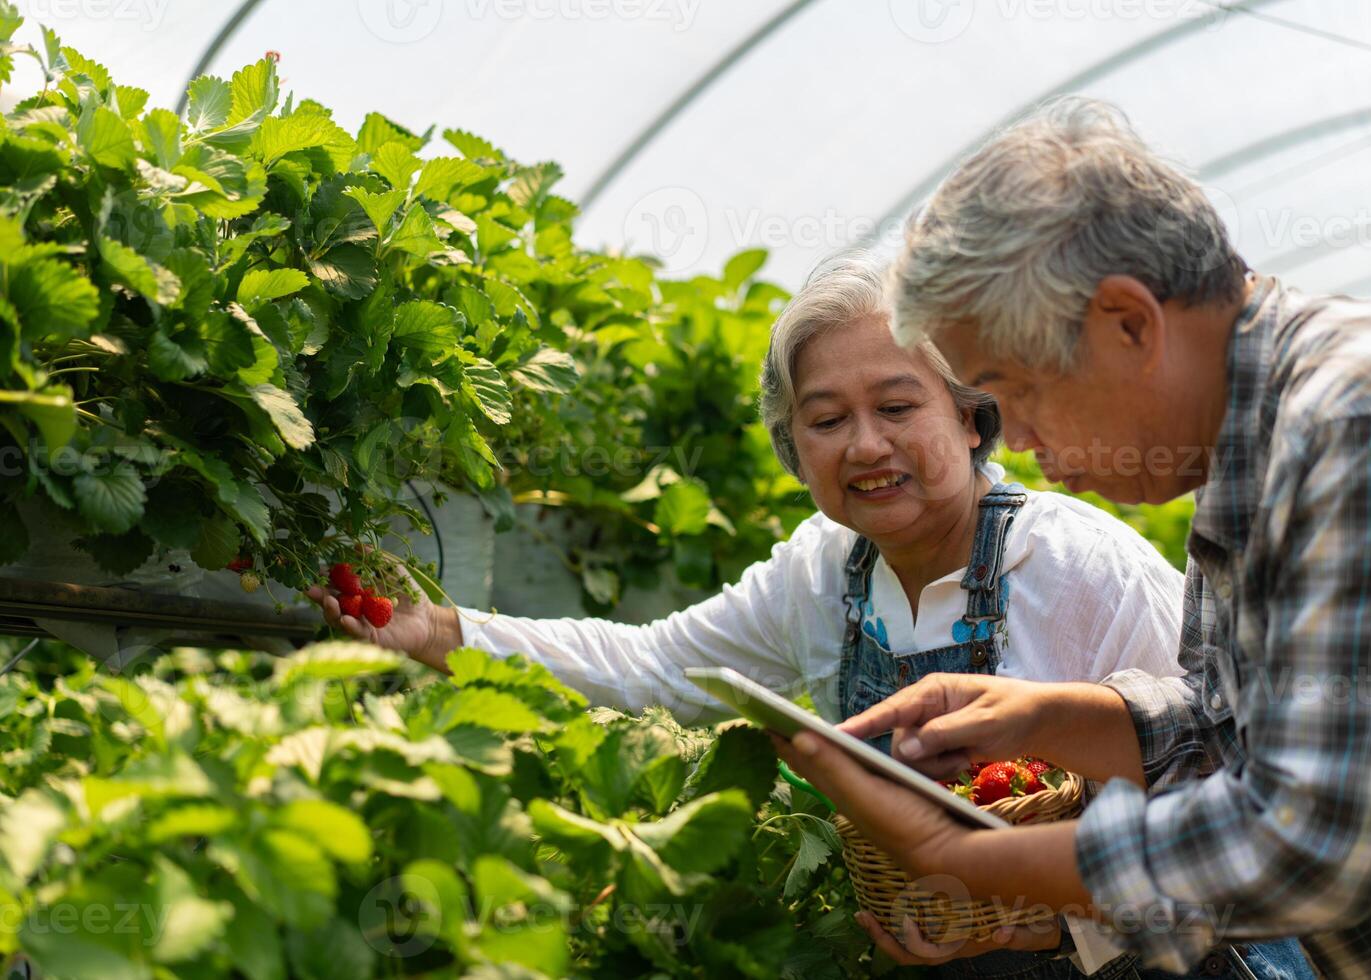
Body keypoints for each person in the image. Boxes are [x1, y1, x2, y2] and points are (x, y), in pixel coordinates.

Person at [309, 256, 1206, 976]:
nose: (865, 445)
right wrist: (446, 632)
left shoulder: (1081, 566)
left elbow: (1228, 788)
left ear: (974, 419)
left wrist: (1053, 931)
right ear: (795, 446)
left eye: (898, 407)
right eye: (826, 420)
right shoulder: (821, 572)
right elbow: (655, 667)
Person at [778, 96, 1371, 979]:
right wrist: (1053, 717)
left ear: (1128, 323)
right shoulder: (1253, 445)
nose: (1014, 435)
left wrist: (965, 858)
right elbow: (1254, 729)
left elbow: (1306, 844)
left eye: (1012, 388)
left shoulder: (1366, 430)